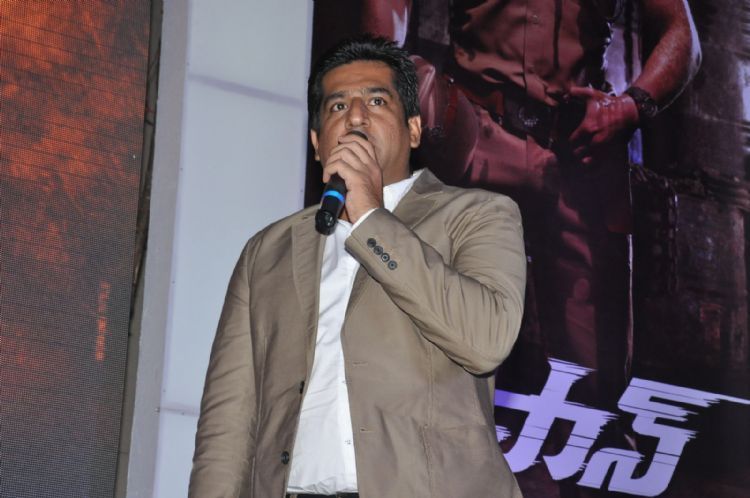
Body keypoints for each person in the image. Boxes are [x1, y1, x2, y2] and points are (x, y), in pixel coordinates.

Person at [188, 36, 527, 498]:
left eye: (376, 101)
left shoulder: (477, 214)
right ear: (316, 144)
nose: (355, 117)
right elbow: (227, 420)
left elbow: (486, 340)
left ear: (413, 130)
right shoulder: (267, 251)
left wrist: (370, 216)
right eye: (337, 106)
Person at [361, 0, 701, 414]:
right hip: (473, 130)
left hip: (580, 154)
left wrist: (629, 108)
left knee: (594, 394)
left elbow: (682, 34)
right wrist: (386, 83)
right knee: (426, 362)